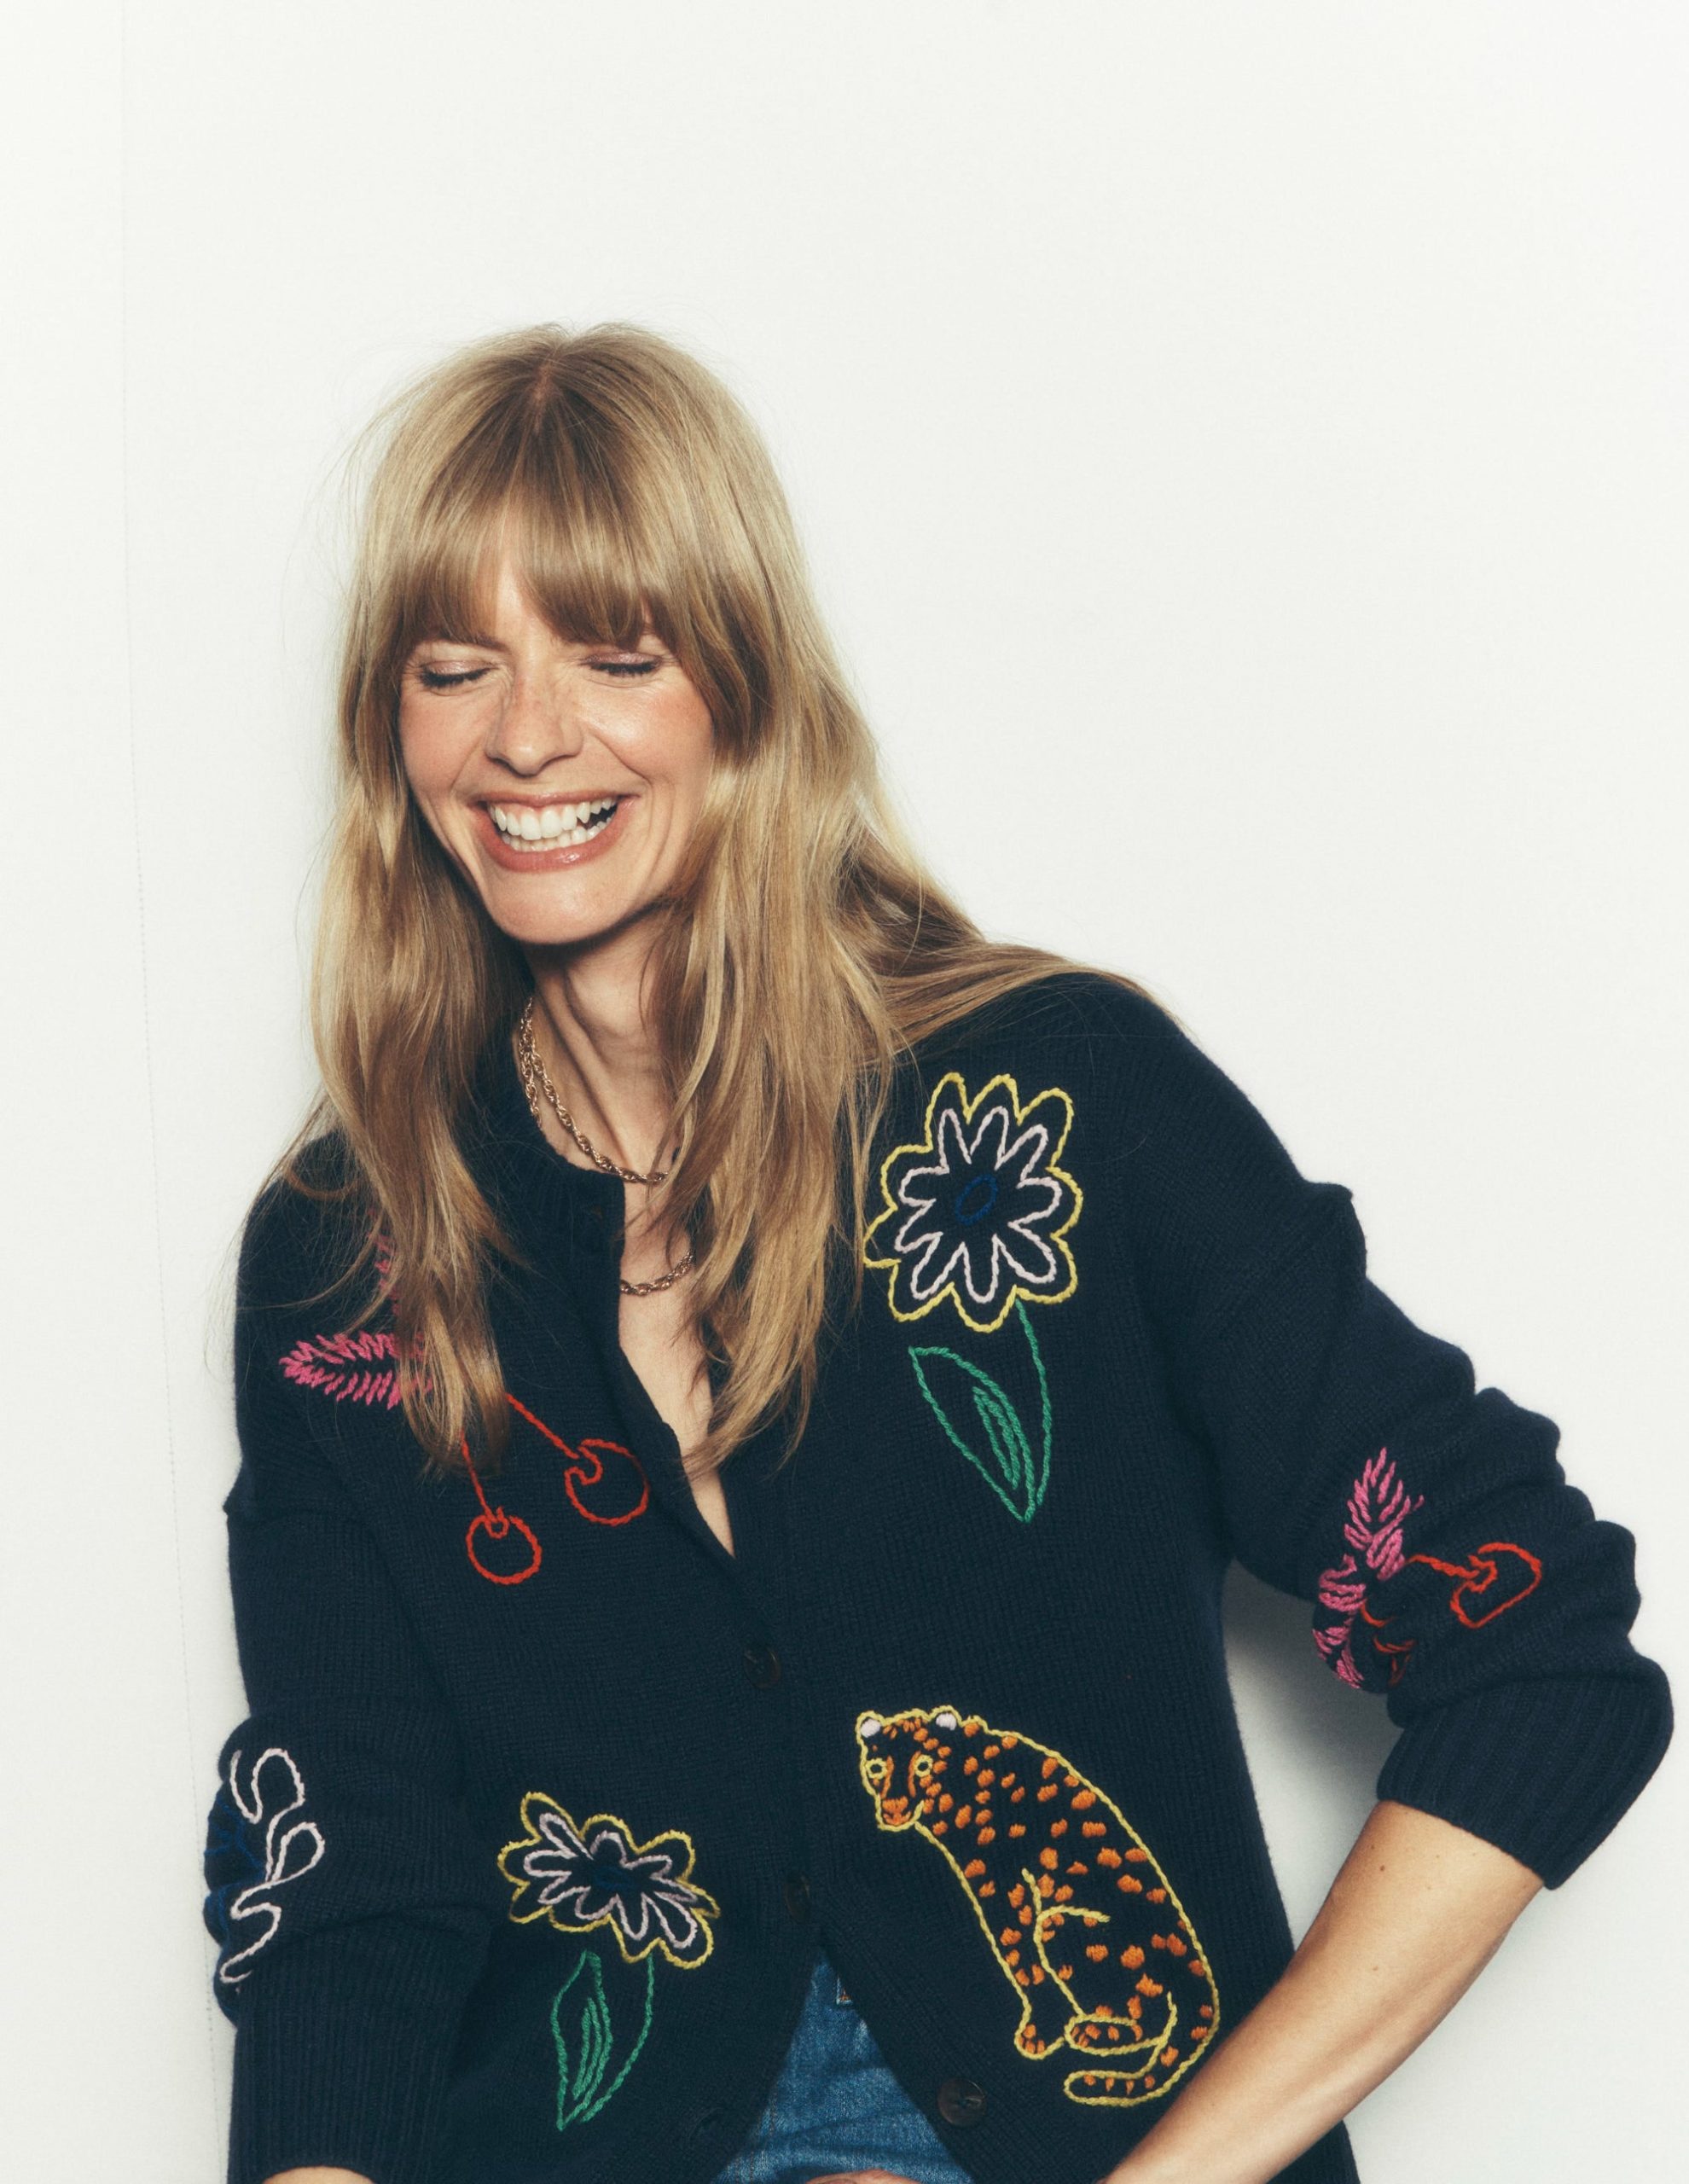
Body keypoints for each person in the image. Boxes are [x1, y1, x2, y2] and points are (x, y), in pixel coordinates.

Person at [201, 322, 1671, 2184]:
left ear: (744, 688)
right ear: (391, 727)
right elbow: (353, 1882)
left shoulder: (1054, 1113)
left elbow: (1537, 1643)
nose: (526, 733)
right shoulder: (347, 1261)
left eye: (616, 654)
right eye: (454, 665)